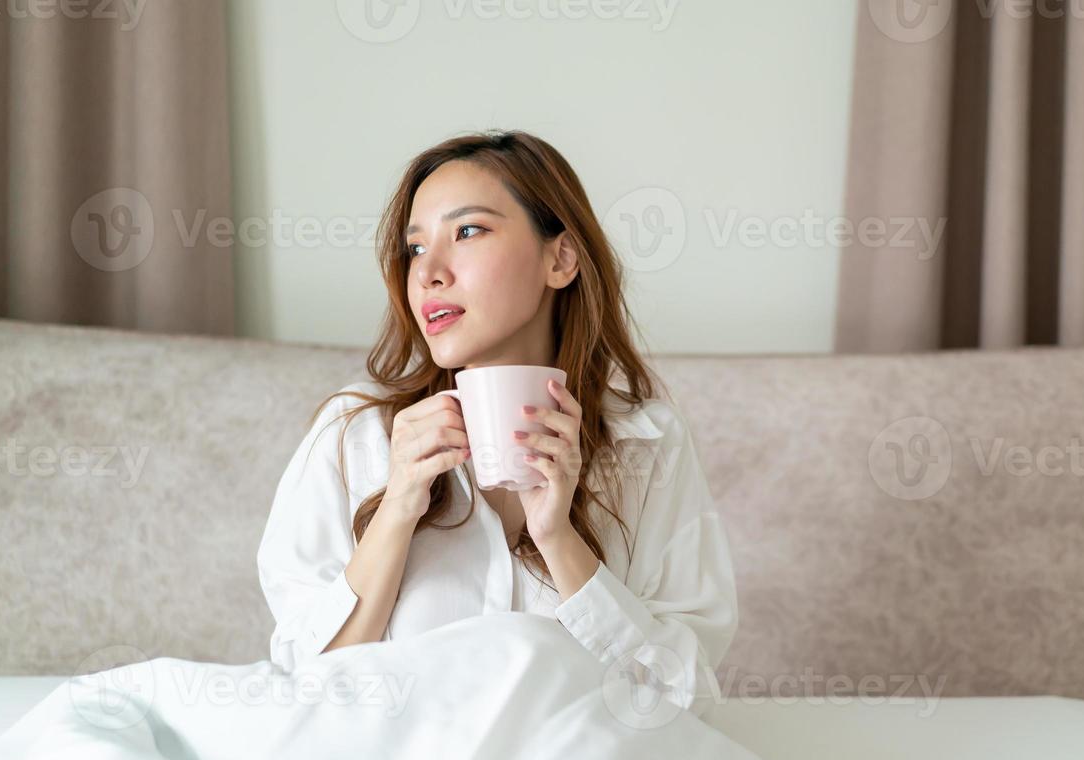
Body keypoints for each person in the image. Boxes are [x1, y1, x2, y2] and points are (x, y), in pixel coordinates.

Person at [256, 130, 737, 718]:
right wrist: (399, 505)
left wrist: (557, 538)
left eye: (467, 231)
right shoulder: (356, 431)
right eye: (414, 248)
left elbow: (684, 698)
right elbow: (300, 688)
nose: (428, 272)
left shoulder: (645, 444)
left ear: (559, 259)